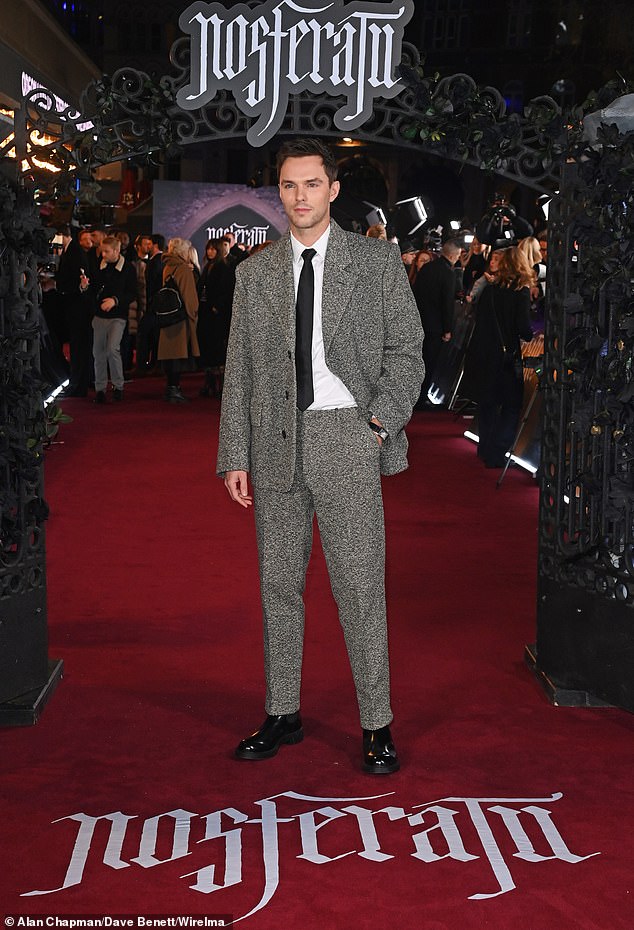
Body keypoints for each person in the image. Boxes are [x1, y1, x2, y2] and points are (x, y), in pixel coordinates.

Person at [217, 137, 423, 774]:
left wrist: (378, 424)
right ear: (277, 192)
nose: (299, 196)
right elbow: (241, 371)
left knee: (359, 589)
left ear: (333, 190)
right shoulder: (255, 273)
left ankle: (376, 723)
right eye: (288, 185)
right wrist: (234, 454)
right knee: (278, 587)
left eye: (311, 184)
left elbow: (408, 352)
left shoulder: (376, 263)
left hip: (345, 436)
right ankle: (284, 711)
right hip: (274, 442)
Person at [462, 247, 534, 467]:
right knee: (512, 405)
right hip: (506, 357)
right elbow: (523, 329)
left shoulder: (490, 290)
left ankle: (485, 448)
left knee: (488, 403)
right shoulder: (520, 292)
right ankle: (498, 451)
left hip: (483, 354)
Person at [83, 235, 136, 404]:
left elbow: (132, 293)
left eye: (106, 251)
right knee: (98, 352)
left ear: (116, 250)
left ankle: (118, 386)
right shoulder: (98, 266)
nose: (103, 254)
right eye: (102, 251)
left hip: (118, 316)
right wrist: (85, 286)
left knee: (112, 349)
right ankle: (100, 389)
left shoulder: (128, 268)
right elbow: (92, 290)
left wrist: (115, 300)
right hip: (99, 315)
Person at [412, 239, 461, 406]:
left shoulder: (427, 268)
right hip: (435, 326)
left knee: (417, 361)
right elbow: (447, 303)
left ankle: (412, 395)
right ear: (453, 255)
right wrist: (448, 328)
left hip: (419, 322)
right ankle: (421, 397)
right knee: (429, 362)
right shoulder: (448, 273)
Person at [159, 237, 200, 403]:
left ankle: (170, 387)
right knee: (178, 353)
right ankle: (174, 389)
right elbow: (190, 298)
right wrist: (194, 315)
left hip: (167, 316)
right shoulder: (183, 269)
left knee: (170, 354)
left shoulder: (167, 266)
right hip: (180, 318)